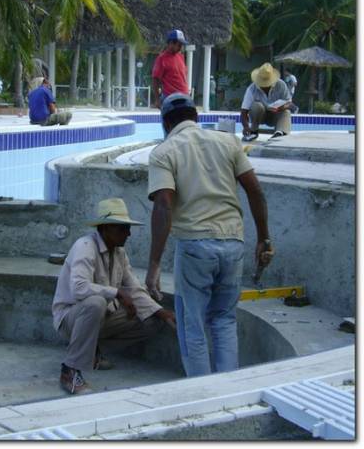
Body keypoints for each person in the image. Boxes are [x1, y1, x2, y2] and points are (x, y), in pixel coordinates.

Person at [145, 93, 274, 377]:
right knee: (224, 321)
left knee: (192, 325)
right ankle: (228, 392)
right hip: (233, 243)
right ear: (196, 117)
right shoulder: (228, 142)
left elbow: (164, 204)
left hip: (195, 245)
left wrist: (154, 265)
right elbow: (255, 191)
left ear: (166, 124)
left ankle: (200, 395)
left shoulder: (164, 152)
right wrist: (263, 237)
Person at [52, 198, 175, 394]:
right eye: (122, 228)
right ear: (106, 228)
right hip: (71, 318)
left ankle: (92, 352)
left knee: (152, 321)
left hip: (101, 317)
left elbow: (134, 289)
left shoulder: (120, 253)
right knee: (96, 302)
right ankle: (70, 371)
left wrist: (162, 313)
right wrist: (116, 292)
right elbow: (79, 289)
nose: (128, 233)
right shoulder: (85, 246)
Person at [240, 62, 293, 141]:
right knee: (257, 106)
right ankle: (254, 130)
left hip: (276, 115)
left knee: (287, 112)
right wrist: (246, 127)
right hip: (259, 117)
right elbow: (244, 111)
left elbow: (289, 103)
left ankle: (280, 133)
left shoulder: (281, 85)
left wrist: (281, 108)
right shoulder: (252, 88)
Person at [152, 29, 190, 110]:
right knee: (171, 122)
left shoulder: (181, 57)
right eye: (179, 45)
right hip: (170, 98)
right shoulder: (161, 59)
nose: (180, 47)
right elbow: (155, 80)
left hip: (184, 97)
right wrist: (157, 100)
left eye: (181, 45)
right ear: (171, 43)